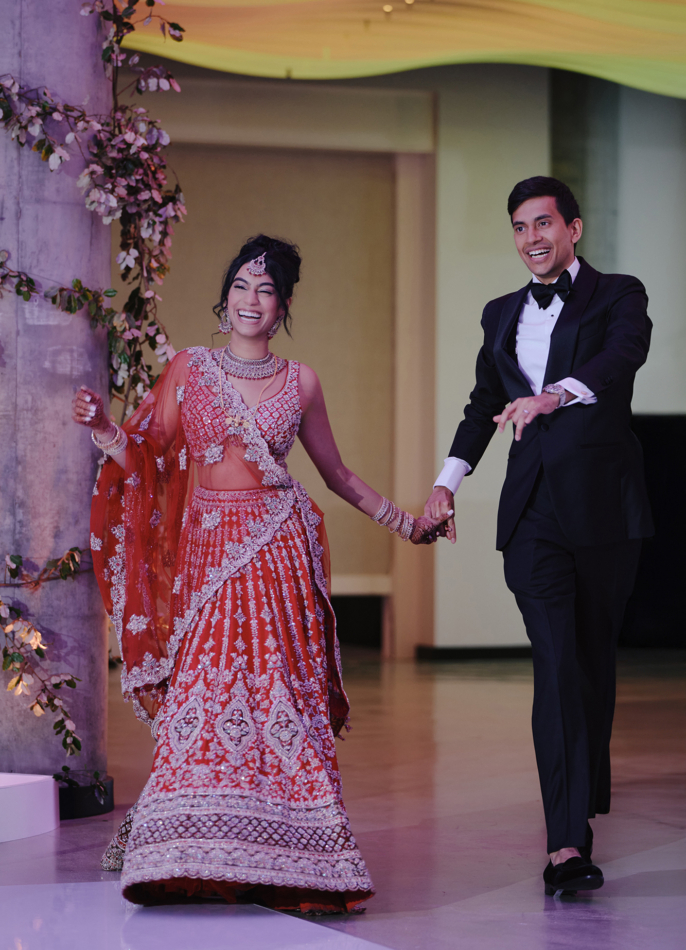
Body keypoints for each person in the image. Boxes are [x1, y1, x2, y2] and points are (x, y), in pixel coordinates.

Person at [73, 235, 439, 913]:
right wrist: (104, 429)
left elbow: (338, 476)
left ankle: (297, 859)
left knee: (278, 704)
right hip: (209, 559)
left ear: (284, 305)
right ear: (226, 294)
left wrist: (406, 524)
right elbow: (148, 459)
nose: (250, 299)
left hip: (278, 555)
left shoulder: (300, 381)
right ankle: (182, 852)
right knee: (202, 701)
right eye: (241, 284)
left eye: (266, 289)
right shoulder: (190, 368)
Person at [425, 177, 653, 896]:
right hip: (533, 518)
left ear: (573, 229)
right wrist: (445, 484)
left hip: (605, 512)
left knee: (590, 664)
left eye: (544, 223)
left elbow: (624, 359)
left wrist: (558, 394)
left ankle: (580, 794)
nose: (532, 238)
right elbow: (481, 405)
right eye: (520, 226)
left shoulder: (619, 294)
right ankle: (565, 844)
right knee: (555, 664)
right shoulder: (499, 315)